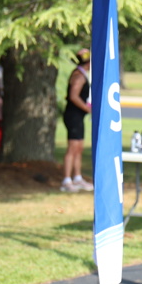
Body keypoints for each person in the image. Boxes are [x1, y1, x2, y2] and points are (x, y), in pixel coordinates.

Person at [61, 48, 94, 193]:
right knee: (72, 148)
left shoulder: (81, 74)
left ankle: (77, 177)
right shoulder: (79, 76)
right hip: (73, 116)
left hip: (78, 116)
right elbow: (73, 96)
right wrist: (87, 108)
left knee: (79, 147)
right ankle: (66, 180)